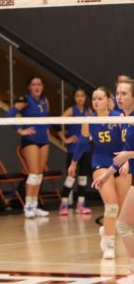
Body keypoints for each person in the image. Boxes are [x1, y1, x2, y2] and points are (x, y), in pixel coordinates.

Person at [79, 80, 134, 265]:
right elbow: (82, 142)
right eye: (93, 98)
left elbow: (127, 146)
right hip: (102, 163)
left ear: (108, 101)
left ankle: (107, 231)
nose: (95, 101)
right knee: (113, 208)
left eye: (100, 98)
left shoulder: (120, 118)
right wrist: (73, 163)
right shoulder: (89, 121)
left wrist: (127, 159)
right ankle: (109, 244)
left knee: (123, 216)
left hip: (123, 165)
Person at [11, 77, 51, 218]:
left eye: (39, 84)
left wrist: (47, 130)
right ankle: (27, 205)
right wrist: (20, 130)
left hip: (43, 140)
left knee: (39, 174)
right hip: (30, 140)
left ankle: (34, 206)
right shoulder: (25, 100)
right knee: (33, 173)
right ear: (29, 87)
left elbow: (47, 118)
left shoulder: (45, 101)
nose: (37, 87)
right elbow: (10, 115)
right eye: (33, 84)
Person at [60, 88, 93, 216]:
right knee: (71, 176)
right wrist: (65, 139)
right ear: (74, 98)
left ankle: (81, 204)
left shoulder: (88, 111)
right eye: (77, 96)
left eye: (82, 96)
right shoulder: (71, 110)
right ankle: (63, 204)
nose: (80, 98)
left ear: (85, 98)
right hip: (73, 148)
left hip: (86, 148)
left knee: (83, 177)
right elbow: (57, 124)